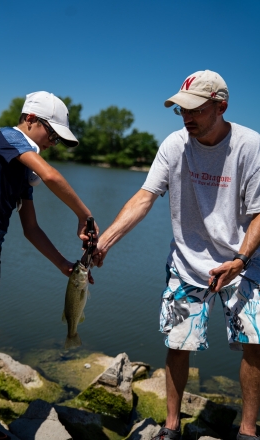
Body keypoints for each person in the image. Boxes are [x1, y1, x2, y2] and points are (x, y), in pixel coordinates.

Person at [93, 70, 260, 440]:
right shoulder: (174, 145)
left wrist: (242, 259)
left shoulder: (251, 146)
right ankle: (171, 425)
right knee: (177, 345)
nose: (185, 117)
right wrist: (103, 242)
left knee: (255, 344)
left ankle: (248, 430)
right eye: (180, 109)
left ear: (221, 106)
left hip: (244, 262)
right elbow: (144, 197)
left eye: (194, 109)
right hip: (187, 262)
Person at [0, 91, 98, 439]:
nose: (53, 142)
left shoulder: (23, 173)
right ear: (30, 120)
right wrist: (84, 215)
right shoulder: (6, 138)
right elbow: (53, 176)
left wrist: (64, 266)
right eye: (52, 133)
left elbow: (31, 228)